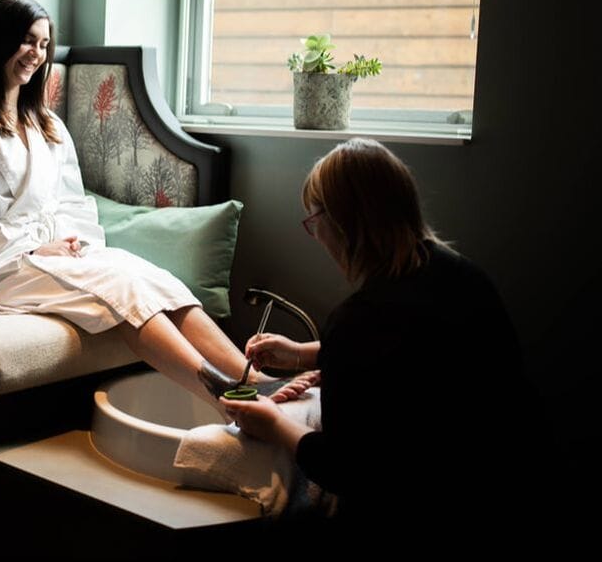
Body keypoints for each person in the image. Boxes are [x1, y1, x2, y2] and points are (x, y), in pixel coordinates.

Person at [0, 0, 309, 408]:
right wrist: (35, 247)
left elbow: (73, 203)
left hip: (54, 255)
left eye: (44, 44)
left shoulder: (46, 123)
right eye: (27, 41)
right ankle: (223, 394)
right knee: (121, 287)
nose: (36, 53)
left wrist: (71, 244)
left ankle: (256, 379)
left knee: (148, 275)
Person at [221, 138, 541, 542]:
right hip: (512, 484)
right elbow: (412, 353)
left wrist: (272, 424)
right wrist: (305, 354)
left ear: (342, 223)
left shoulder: (358, 320)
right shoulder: (460, 276)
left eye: (313, 220)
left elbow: (345, 468)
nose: (314, 235)